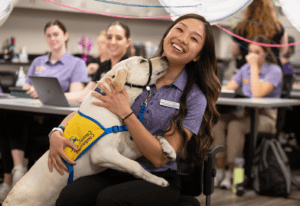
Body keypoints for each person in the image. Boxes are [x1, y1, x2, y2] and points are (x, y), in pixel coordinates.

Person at [48, 14, 221, 206]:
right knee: (70, 196)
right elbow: (89, 108)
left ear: (197, 55)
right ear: (167, 35)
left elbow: (159, 158)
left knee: (109, 200)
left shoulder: (195, 97)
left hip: (158, 177)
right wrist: (57, 132)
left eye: (194, 38)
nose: (182, 38)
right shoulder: (134, 68)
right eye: (179, 29)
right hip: (115, 168)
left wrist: (125, 113)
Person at [0, 19, 88, 203]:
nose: (52, 38)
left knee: (13, 122)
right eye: (48, 35)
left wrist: (43, 95)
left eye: (56, 34)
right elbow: (25, 86)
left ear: (65, 36)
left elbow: (77, 94)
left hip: (56, 118)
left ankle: (12, 180)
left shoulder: (76, 63)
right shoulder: (39, 61)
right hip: (31, 113)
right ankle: (17, 172)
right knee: (9, 116)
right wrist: (30, 91)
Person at [214, 35, 283, 189]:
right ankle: (219, 170)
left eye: (257, 52)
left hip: (266, 117)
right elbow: (229, 87)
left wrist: (253, 67)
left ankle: (234, 175)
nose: (251, 55)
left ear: (266, 53)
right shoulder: (244, 68)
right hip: (244, 113)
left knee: (235, 126)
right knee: (217, 122)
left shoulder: (274, 70)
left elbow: (257, 93)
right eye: (250, 51)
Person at [65, 21, 132, 103]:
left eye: (118, 38)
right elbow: (86, 92)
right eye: (109, 37)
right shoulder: (104, 66)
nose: (112, 42)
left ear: (128, 42)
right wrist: (60, 96)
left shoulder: (132, 68)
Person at [230, 0, 288, 70]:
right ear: (269, 8)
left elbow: (234, 52)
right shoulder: (277, 27)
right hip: (272, 70)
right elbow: (284, 50)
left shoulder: (241, 28)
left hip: (246, 69)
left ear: (248, 9)